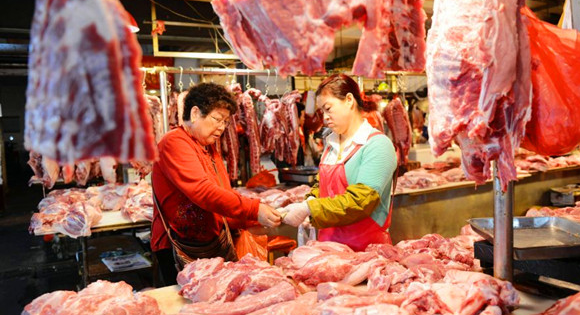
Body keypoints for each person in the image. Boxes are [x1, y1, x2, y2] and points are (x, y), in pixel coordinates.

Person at [151, 83, 282, 285]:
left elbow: (221, 194)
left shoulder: (208, 148)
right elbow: (204, 192)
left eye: (225, 122)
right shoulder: (174, 143)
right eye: (217, 119)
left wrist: (251, 219)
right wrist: (254, 209)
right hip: (179, 247)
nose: (221, 127)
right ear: (195, 113)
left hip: (209, 245)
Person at [279, 74, 397, 251]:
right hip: (329, 249)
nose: (325, 118)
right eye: (322, 112)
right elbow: (322, 186)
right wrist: (310, 199)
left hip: (366, 253)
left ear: (349, 100)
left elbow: (361, 202)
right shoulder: (331, 143)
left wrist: (309, 208)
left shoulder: (377, 145)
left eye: (328, 109)